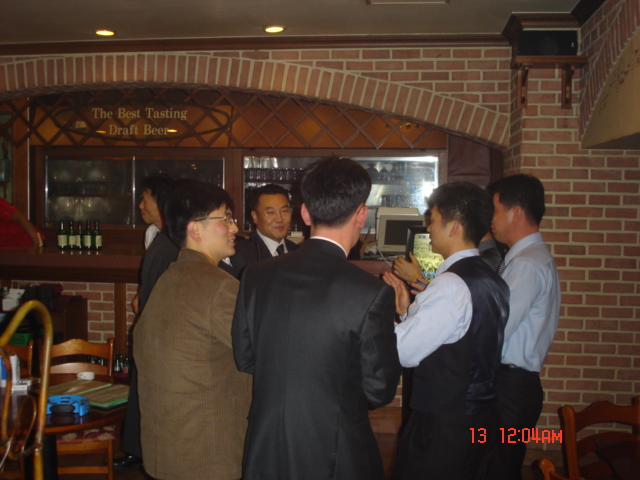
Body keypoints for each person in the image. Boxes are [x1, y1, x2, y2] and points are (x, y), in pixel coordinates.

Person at [232, 156, 401, 480]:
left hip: (266, 442)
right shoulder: (370, 292)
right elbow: (379, 390)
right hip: (334, 450)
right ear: (362, 214)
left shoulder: (255, 274)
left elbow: (245, 358)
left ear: (305, 213)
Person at [382, 182, 509, 480]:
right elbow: (458, 333)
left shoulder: (450, 285)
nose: (428, 228)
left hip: (446, 425)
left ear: (453, 227)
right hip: (482, 417)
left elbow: (404, 351)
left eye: (433, 219)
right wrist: (408, 312)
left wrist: (373, 321)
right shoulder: (493, 279)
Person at [134, 180, 252, 480]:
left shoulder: (170, 277)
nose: (235, 228)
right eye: (226, 218)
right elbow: (264, 353)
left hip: (165, 448)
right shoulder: (219, 287)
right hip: (207, 455)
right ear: (195, 229)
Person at [484, 174, 561, 480]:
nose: (490, 219)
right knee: (497, 465)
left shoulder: (527, 264)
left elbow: (496, 328)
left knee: (497, 468)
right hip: (512, 387)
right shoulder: (526, 258)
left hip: (509, 390)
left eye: (494, 210)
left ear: (515, 212)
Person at [115, 172, 176, 469]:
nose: (140, 205)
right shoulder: (153, 234)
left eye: (145, 199)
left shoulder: (177, 239)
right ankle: (135, 447)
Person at [223, 183, 298, 278]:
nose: (279, 219)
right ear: (255, 216)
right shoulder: (240, 254)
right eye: (270, 212)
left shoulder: (297, 251)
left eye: (284, 211)